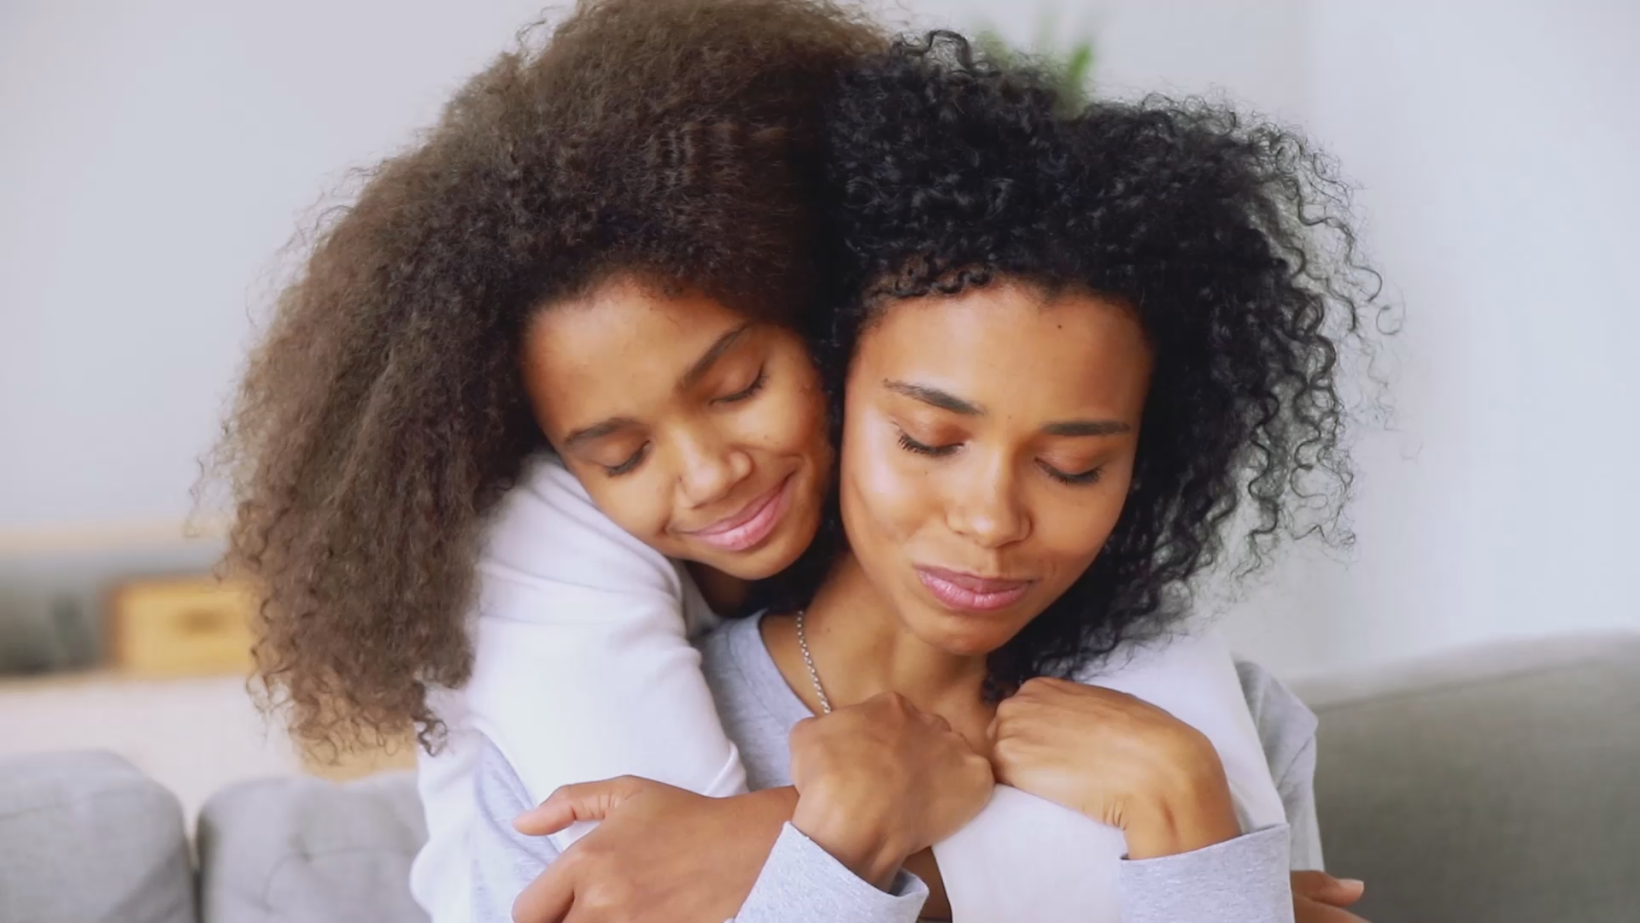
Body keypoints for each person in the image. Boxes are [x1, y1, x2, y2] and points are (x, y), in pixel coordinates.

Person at [210, 2, 1375, 921]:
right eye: (928, 438)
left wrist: (1183, 818)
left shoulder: (1220, 731)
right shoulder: (581, 767)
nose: (987, 517)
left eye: (1071, 466)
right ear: (844, 366)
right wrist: (833, 843)